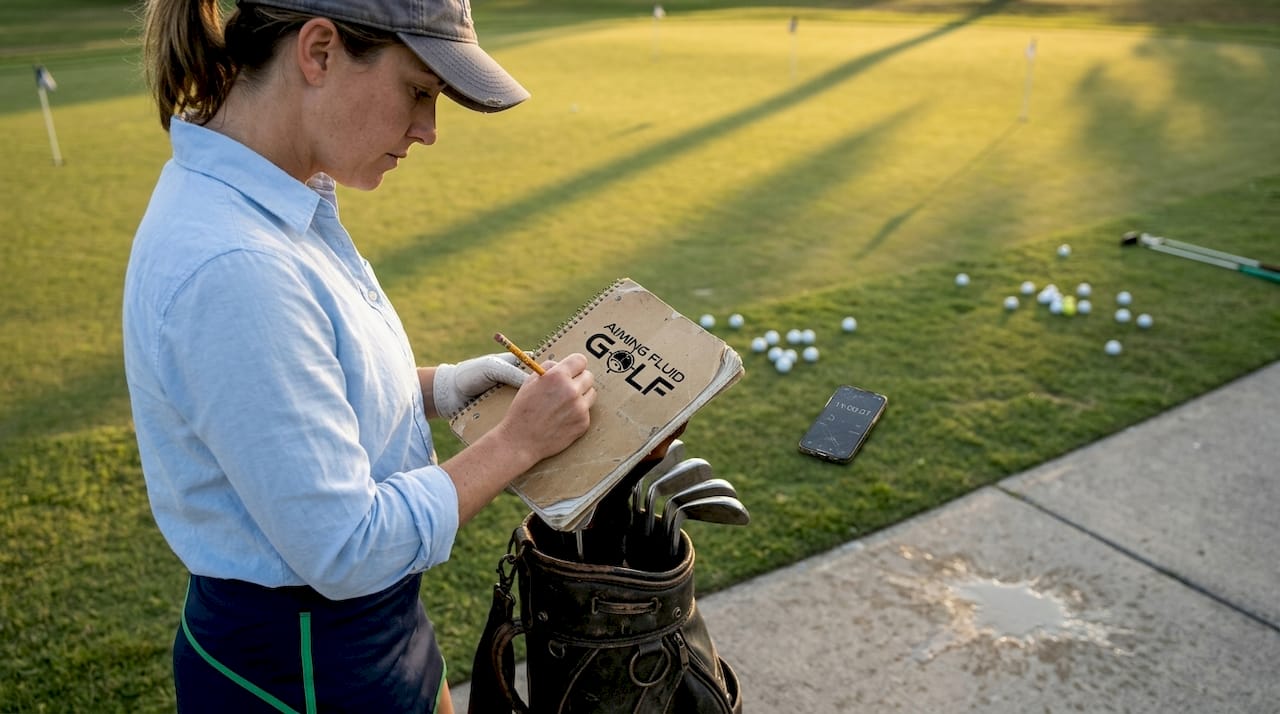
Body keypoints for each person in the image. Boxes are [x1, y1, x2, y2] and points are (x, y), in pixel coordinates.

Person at [123, 1, 597, 711]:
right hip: (303, 667)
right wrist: (517, 442)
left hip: (359, 640)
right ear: (318, 52)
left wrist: (448, 387)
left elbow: (299, 401)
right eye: (418, 91)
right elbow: (347, 545)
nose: (429, 130)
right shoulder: (237, 265)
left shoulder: (278, 204)